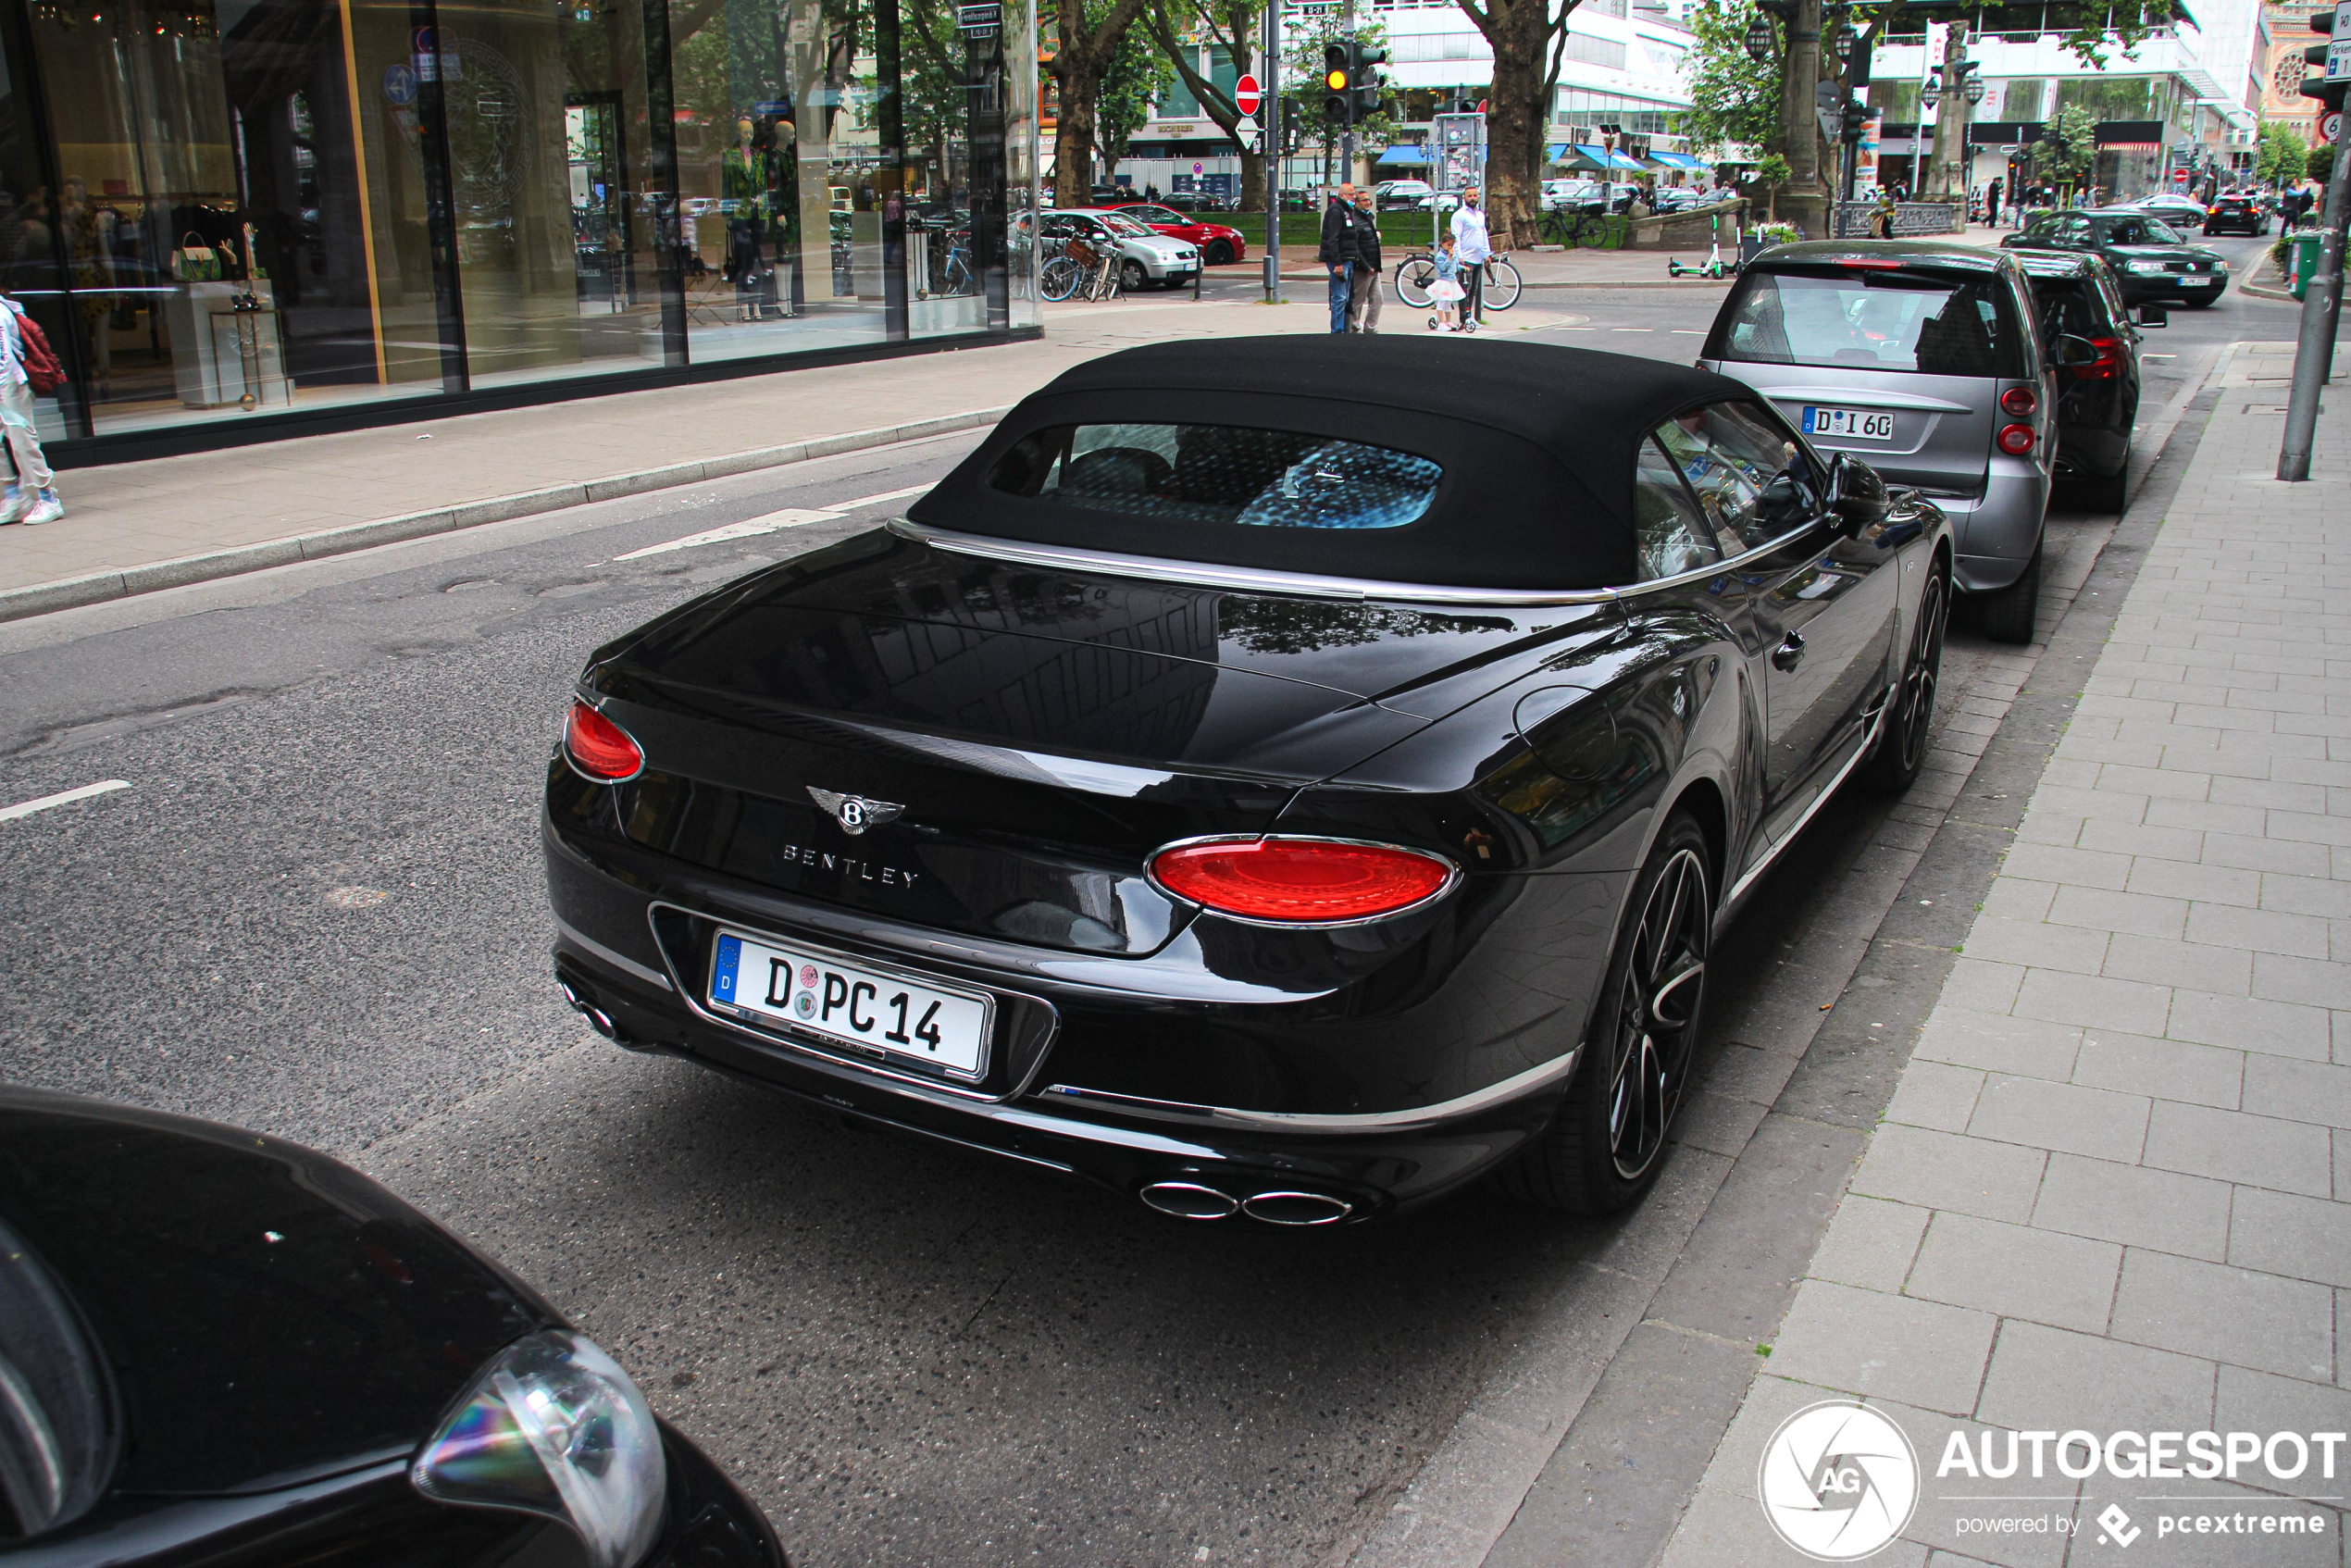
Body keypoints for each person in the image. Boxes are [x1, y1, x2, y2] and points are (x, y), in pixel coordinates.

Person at [0, 289, 61, 524]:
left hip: (10, 383)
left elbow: (4, 358)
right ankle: (13, 497)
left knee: (21, 441)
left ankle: (47, 499)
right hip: (6, 383)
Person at [1319, 183, 1362, 333]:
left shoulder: (1347, 210)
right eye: (1350, 194)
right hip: (1340, 260)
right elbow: (1333, 238)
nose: (1353, 197)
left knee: (1347, 297)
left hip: (1348, 258)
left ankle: (1344, 329)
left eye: (1354, 194)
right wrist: (1337, 262)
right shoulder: (1336, 211)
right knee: (1340, 297)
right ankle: (1337, 331)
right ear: (1342, 195)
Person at [1449, 186, 1490, 332]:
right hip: (1465, 258)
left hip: (1478, 258)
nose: (1472, 198)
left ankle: (1470, 315)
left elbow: (1483, 234)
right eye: (1469, 196)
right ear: (1464, 198)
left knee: (1473, 289)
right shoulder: (1459, 215)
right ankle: (1463, 317)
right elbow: (1456, 237)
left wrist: (1487, 254)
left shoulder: (1480, 215)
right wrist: (1459, 257)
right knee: (1464, 289)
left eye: (1475, 195)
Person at [1348, 187, 1384, 333]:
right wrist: (1365, 265)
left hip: (1374, 267)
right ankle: (1354, 326)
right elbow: (1355, 247)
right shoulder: (1356, 221)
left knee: (1378, 298)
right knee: (1358, 300)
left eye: (1369, 200)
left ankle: (1370, 327)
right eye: (1365, 200)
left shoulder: (1368, 219)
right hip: (1363, 269)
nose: (1368, 202)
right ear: (1357, 203)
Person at [1424, 234, 1466, 331]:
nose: (1450, 247)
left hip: (1452, 280)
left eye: (1452, 245)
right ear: (1443, 244)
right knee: (1442, 301)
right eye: (1448, 245)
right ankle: (1441, 322)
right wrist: (1449, 258)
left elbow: (1455, 264)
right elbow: (1443, 268)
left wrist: (1462, 267)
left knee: (1449, 301)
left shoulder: (1452, 254)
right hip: (1444, 281)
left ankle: (1448, 320)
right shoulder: (1440, 256)